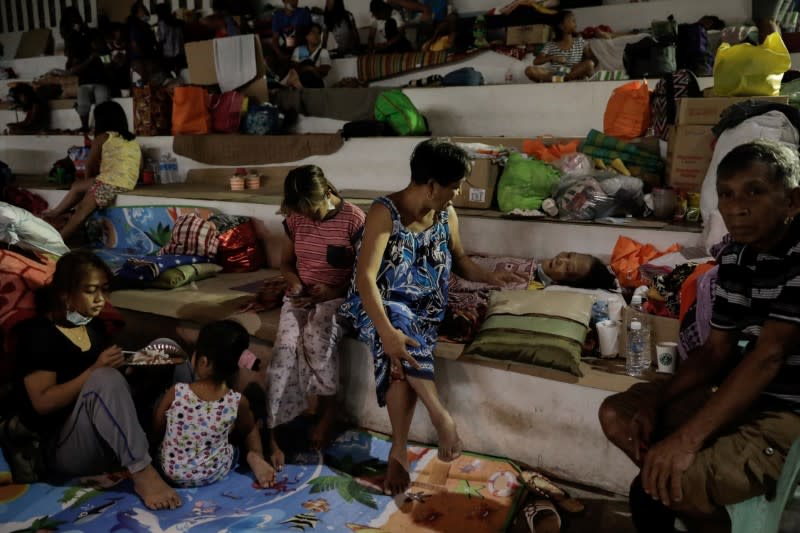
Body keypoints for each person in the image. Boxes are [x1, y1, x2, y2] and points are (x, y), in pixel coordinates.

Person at [598, 140, 800, 533]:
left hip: (788, 412)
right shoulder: (738, 256)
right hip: (742, 396)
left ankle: (701, 506)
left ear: (792, 202)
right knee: (619, 416)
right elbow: (713, 353)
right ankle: (704, 509)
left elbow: (769, 356)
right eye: (726, 194)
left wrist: (685, 441)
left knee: (663, 488)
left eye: (754, 192)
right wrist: (660, 399)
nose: (737, 207)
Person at [339, 139, 526, 495]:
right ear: (430, 185)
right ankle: (441, 416)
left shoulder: (446, 214)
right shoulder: (384, 212)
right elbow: (365, 279)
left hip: (425, 310)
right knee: (394, 328)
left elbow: (461, 260)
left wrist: (491, 276)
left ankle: (398, 449)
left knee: (398, 350)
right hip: (375, 304)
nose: (456, 193)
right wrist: (386, 331)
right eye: (454, 186)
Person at [14, 250, 180, 510]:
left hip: (110, 427)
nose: (101, 299)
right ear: (65, 294)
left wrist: (135, 364)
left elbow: (114, 384)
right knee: (103, 377)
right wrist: (95, 370)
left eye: (104, 289)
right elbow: (42, 402)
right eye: (91, 291)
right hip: (66, 447)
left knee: (167, 350)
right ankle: (143, 473)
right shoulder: (37, 335)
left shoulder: (94, 326)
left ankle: (181, 445)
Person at [267, 165, 366, 470]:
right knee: (284, 347)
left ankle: (327, 412)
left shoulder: (354, 219)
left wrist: (335, 288)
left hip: (341, 297)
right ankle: (278, 421)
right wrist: (293, 281)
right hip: (302, 295)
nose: (308, 218)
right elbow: (285, 263)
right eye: (302, 212)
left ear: (327, 193)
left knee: (317, 336)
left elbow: (366, 273)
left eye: (313, 210)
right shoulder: (295, 218)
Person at [154, 320, 275, 488]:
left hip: (171, 472)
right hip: (213, 473)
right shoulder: (237, 401)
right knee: (248, 428)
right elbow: (248, 429)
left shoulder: (177, 392)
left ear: (203, 361)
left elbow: (158, 428)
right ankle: (255, 456)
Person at [42, 101, 142, 240]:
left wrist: (91, 187)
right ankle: (56, 212)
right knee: (77, 186)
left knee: (81, 212)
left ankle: (56, 243)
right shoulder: (131, 140)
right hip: (126, 181)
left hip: (109, 182)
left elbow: (90, 165)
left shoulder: (103, 137)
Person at [62, 7, 109, 131]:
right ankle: (84, 127)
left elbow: (106, 58)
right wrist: (90, 58)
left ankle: (101, 127)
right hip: (85, 81)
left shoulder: (93, 34)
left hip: (100, 80)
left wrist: (102, 56)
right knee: (83, 105)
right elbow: (73, 69)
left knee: (102, 102)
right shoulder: (73, 41)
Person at [525, 10, 605, 83]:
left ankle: (562, 79)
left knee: (589, 64)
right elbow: (536, 61)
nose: (575, 24)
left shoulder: (580, 41)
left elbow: (594, 61)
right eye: (572, 21)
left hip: (573, 72)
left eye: (575, 21)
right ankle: (558, 79)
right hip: (555, 73)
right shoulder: (551, 44)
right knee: (529, 70)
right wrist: (552, 57)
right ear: (561, 26)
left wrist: (582, 62)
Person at [290, 23, 332, 88]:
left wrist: (310, 69)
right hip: (300, 84)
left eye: (318, 33)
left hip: (318, 86)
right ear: (306, 36)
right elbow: (294, 68)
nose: (317, 35)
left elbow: (325, 70)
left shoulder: (323, 51)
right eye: (313, 32)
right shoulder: (299, 50)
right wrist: (310, 69)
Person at [127, 2, 160, 83]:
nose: (145, 11)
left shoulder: (147, 26)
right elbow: (134, 43)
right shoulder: (134, 26)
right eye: (142, 10)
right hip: (139, 59)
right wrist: (142, 55)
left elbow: (153, 41)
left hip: (148, 57)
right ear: (136, 13)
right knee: (141, 82)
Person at [155, 3, 186, 77]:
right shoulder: (178, 22)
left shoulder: (162, 23)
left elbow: (161, 39)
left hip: (168, 55)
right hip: (180, 54)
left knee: (169, 76)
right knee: (181, 75)